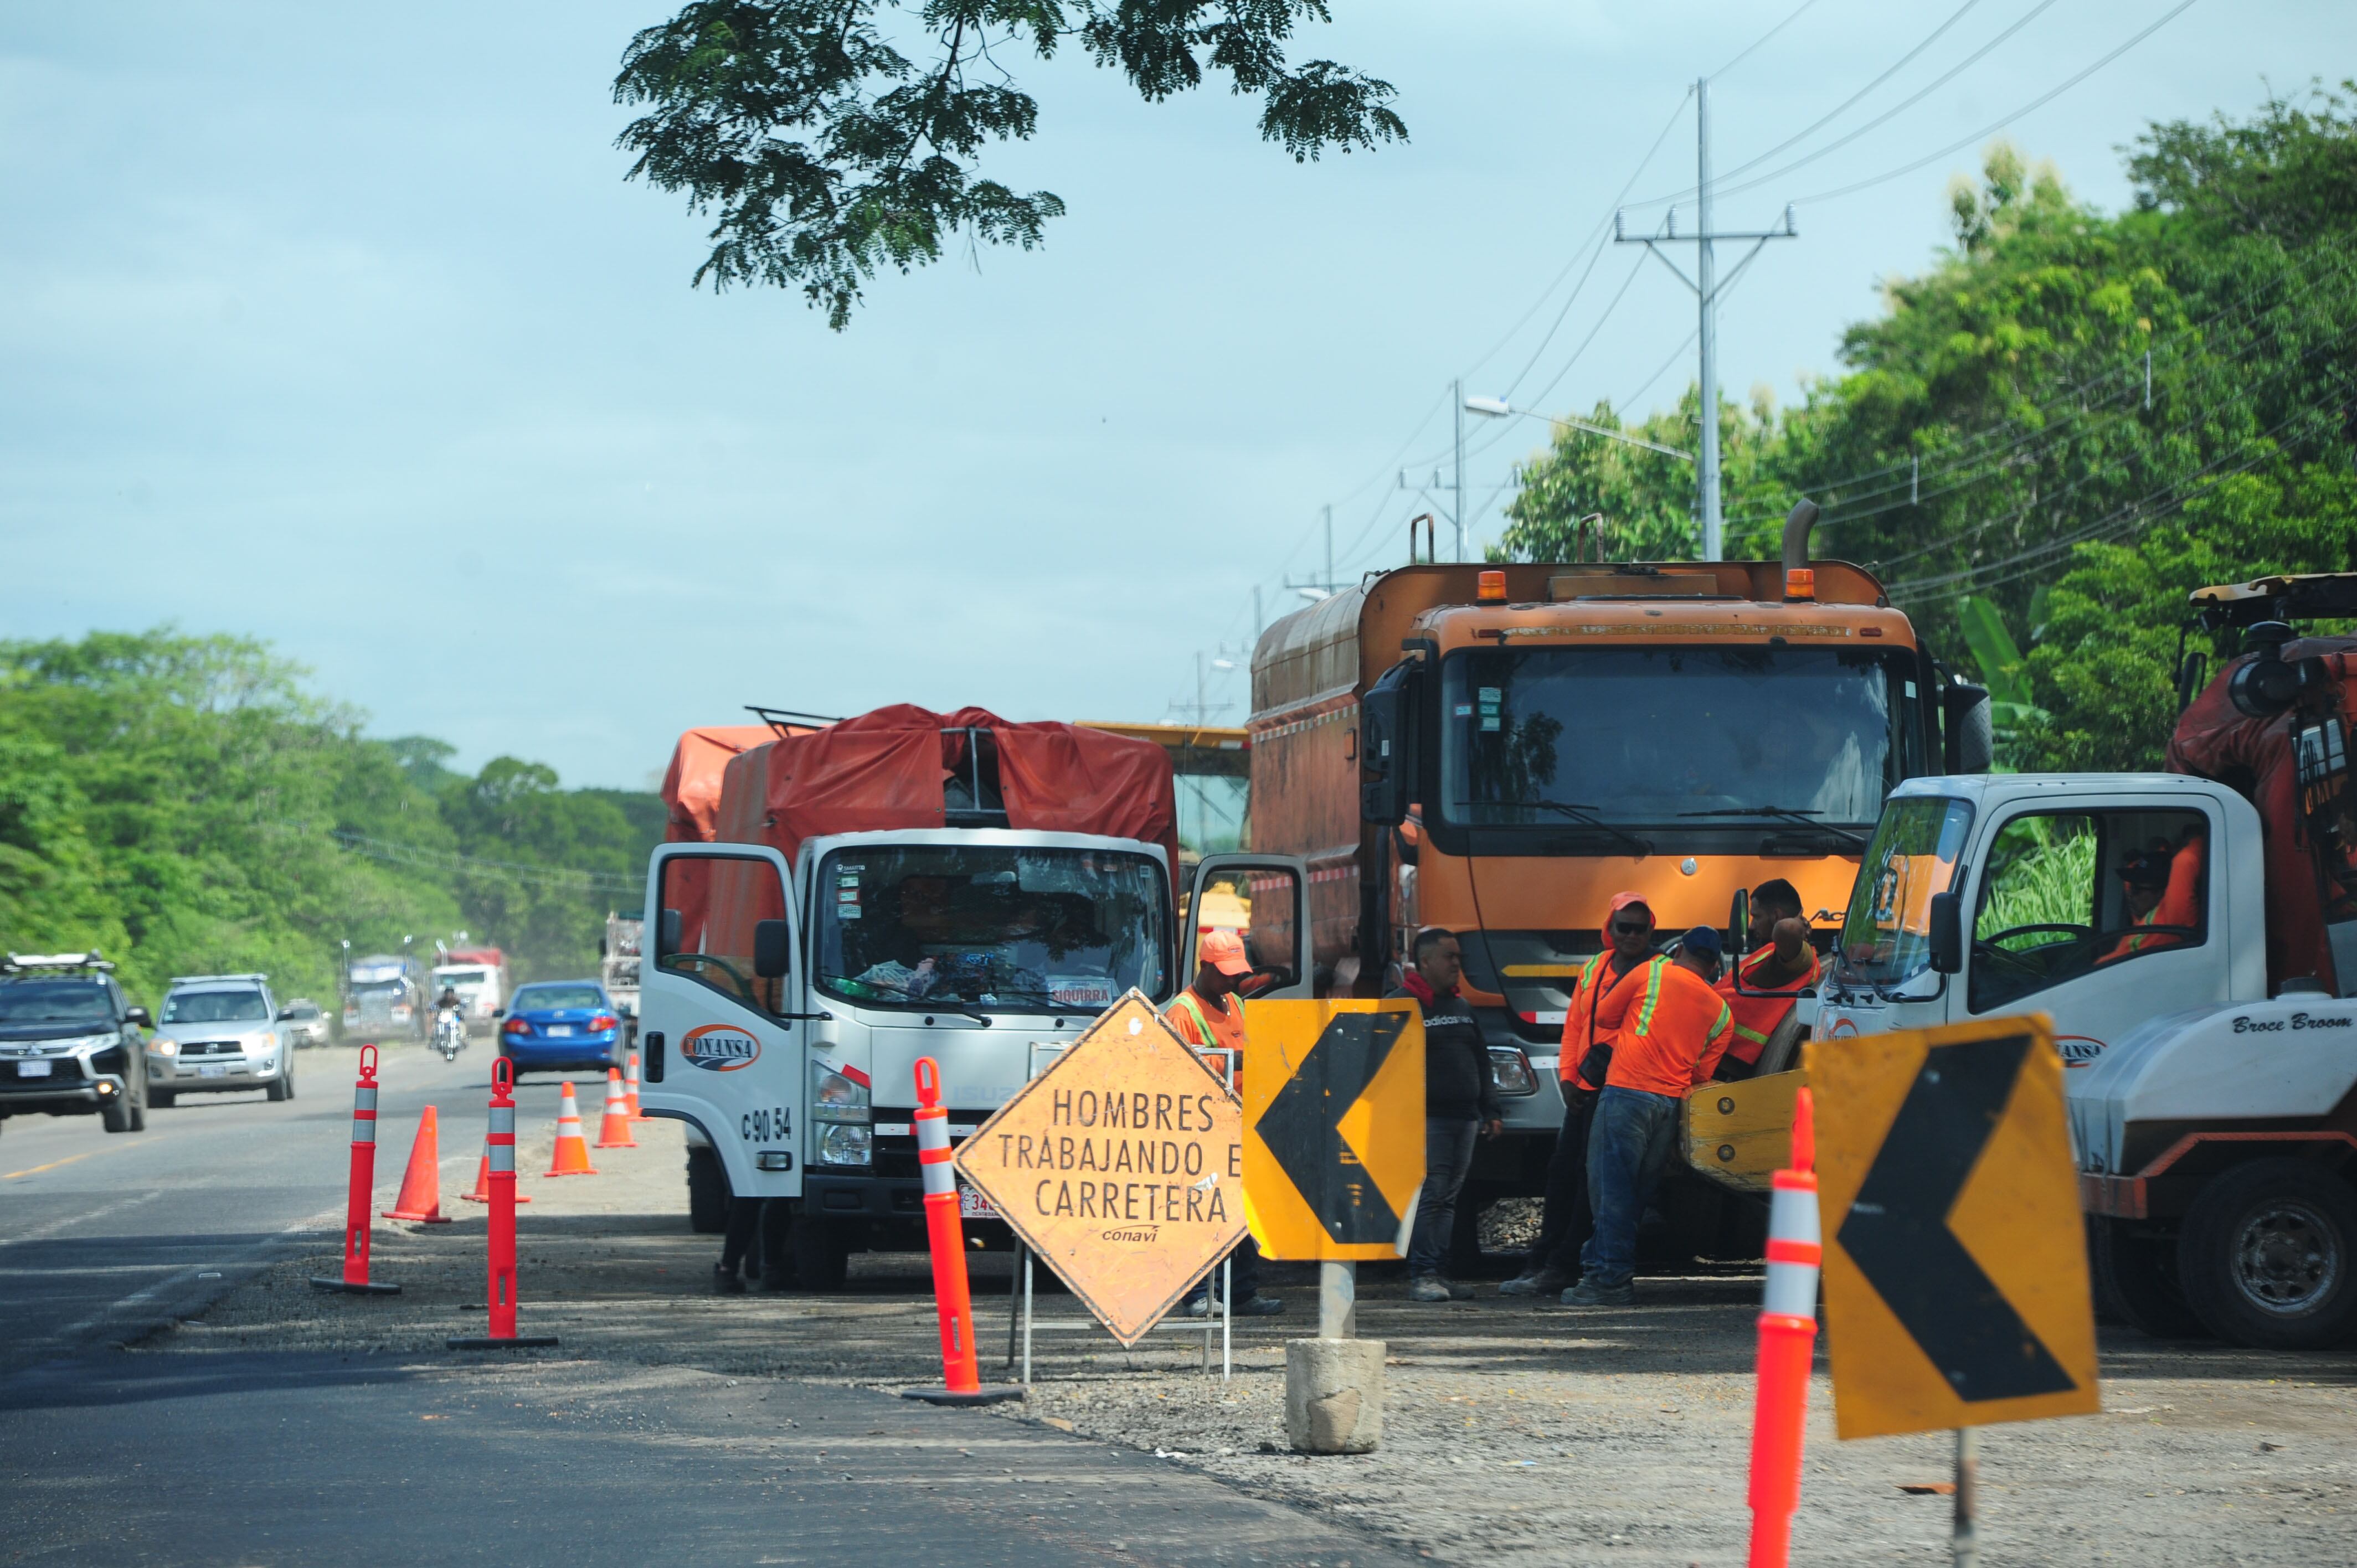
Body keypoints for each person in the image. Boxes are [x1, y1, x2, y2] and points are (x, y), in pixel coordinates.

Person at [1500, 893, 1658, 1299]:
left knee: (1595, 1182)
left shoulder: (1656, 972)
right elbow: (1575, 1026)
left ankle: (1564, 1265)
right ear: (1611, 928)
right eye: (1625, 927)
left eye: (1642, 929)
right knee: (1562, 1172)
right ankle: (1543, 1260)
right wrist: (1569, 1079)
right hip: (1585, 1087)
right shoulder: (1595, 967)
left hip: (1619, 1089)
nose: (1633, 935)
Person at [1567, 927, 1733, 1307]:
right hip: (1669, 1106)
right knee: (1635, 1194)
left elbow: (1605, 1016)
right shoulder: (1722, 1012)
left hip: (1626, 1094)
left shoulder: (1652, 972)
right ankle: (1598, 1269)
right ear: (1713, 966)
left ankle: (1610, 1280)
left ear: (1681, 951)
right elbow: (1701, 1077)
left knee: (1610, 1190)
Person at [1166, 928, 1284, 1317]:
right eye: (1227, 972)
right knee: (1201, 1209)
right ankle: (1198, 1294)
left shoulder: (1236, 1003)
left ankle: (1242, 1293)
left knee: (1243, 1211)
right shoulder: (1183, 1012)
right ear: (1204, 966)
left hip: (1243, 1124)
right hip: (1203, 1130)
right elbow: (1174, 1073)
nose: (1235, 979)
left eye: (1238, 971)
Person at [1388, 928, 1502, 1302]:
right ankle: (1423, 1274)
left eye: (1459, 957)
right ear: (1425, 962)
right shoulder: (1401, 1005)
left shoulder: (1460, 1007)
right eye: (1449, 957)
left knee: (1449, 1197)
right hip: (1427, 1121)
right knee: (1432, 1194)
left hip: (1465, 1119)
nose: (1457, 964)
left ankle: (1439, 1270)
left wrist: (1491, 1108)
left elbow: (1481, 1059)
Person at [1713, 878, 1820, 1081]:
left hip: (1729, 1060)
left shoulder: (1798, 959)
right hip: (1717, 1049)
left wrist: (1795, 924)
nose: (1752, 926)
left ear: (1776, 915)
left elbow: (1787, 929)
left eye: (1756, 917)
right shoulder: (1772, 953)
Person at [2099, 830, 2204, 963]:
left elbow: (2184, 862)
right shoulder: (2144, 918)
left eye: (2137, 890)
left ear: (2161, 894)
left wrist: (2200, 839)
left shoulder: (2164, 926)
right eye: (2131, 888)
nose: (2130, 895)